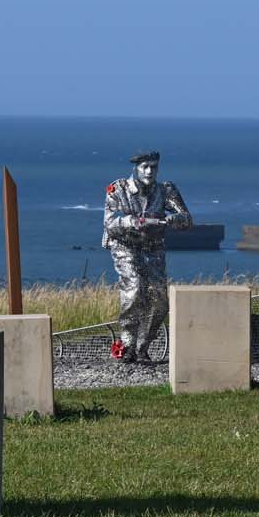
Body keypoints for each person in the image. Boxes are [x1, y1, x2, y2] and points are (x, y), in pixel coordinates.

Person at [102, 149, 191, 362]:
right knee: (134, 288)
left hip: (153, 247)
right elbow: (110, 223)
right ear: (136, 168)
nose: (150, 171)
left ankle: (143, 346)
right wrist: (130, 221)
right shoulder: (119, 189)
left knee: (160, 299)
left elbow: (186, 218)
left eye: (154, 167)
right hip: (125, 245)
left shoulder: (166, 190)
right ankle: (126, 344)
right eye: (145, 167)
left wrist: (173, 220)